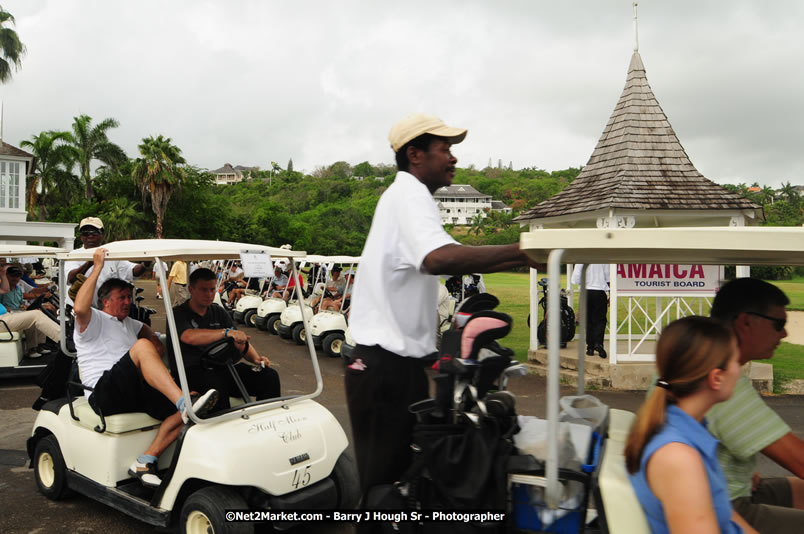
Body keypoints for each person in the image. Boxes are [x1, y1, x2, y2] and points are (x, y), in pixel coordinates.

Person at [346, 113, 537, 507]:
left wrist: (524, 256)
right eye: (444, 149)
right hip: (384, 367)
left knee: (399, 484)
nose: (453, 158)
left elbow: (454, 255)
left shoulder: (407, 197)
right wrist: (522, 251)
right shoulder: (409, 195)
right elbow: (438, 258)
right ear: (415, 155)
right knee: (387, 492)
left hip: (392, 366)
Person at [73, 248, 217, 488]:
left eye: (129, 297)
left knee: (197, 404)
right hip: (103, 392)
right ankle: (183, 402)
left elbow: (154, 340)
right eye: (122, 298)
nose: (128, 302)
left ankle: (146, 460)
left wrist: (154, 346)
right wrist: (97, 268)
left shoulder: (130, 323)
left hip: (131, 389)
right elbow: (79, 308)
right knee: (142, 350)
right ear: (105, 301)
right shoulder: (93, 319)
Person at [625, 316, 756, 534]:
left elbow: (723, 512)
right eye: (736, 361)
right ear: (716, 378)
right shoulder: (679, 457)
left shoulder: (680, 432)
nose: (738, 369)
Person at [705, 278, 803, 533]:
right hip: (721, 508)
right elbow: (799, 460)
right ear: (746, 322)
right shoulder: (718, 380)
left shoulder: (700, 360)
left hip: (732, 490)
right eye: (778, 324)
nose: (784, 334)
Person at [171, 267, 280, 411]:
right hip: (191, 374)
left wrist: (256, 359)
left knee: (269, 376)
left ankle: (267, 418)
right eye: (204, 290)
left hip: (221, 368)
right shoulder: (178, 313)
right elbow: (188, 336)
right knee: (216, 387)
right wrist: (225, 332)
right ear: (191, 289)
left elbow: (239, 341)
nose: (209, 294)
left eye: (212, 289)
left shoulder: (218, 312)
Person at [64, 217, 148, 308]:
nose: (90, 236)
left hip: (105, 310)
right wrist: (91, 262)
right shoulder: (73, 255)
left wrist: (145, 264)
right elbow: (71, 278)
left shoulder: (111, 254)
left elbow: (132, 271)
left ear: (102, 235)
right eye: (85, 232)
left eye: (94, 232)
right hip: (78, 311)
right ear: (81, 236)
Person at [0, 263, 61, 358]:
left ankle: (35, 348)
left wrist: (3, 274)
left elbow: (5, 289)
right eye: (12, 276)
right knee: (36, 314)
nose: (15, 278)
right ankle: (63, 340)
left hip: (7, 316)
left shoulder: (15, 288)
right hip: (3, 320)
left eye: (17, 276)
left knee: (34, 315)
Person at [571, 263, 609, 358]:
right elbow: (608, 277)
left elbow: (575, 278)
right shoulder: (604, 258)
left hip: (585, 291)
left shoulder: (581, 259)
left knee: (588, 320)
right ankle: (598, 343)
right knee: (600, 320)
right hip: (599, 291)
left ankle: (590, 347)